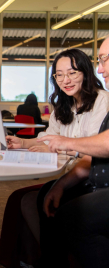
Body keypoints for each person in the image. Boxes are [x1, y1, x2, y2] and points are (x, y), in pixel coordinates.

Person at [0, 48, 109, 267]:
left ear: (86, 72)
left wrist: (61, 147)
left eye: (72, 73)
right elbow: (49, 138)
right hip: (68, 170)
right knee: (26, 199)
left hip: (88, 172)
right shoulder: (61, 104)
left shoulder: (102, 101)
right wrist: (23, 143)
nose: (65, 80)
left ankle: (54, 258)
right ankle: (47, 257)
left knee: (42, 198)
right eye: (59, 75)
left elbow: (91, 147)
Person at [33, 38, 109, 268]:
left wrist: (67, 143)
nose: (100, 68)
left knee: (72, 215)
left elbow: (101, 146)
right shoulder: (63, 105)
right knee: (46, 193)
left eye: (105, 59)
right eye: (99, 60)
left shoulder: (103, 101)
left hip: (98, 184)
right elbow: (89, 155)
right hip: (91, 178)